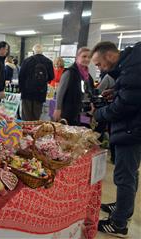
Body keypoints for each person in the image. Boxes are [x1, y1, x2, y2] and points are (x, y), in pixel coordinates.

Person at [90, 41, 141, 238]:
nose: (100, 69)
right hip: (132, 128)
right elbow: (130, 95)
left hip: (131, 130)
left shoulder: (132, 69)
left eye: (99, 64)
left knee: (124, 176)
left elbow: (124, 106)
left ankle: (119, 223)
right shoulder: (130, 65)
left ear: (110, 56)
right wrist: (116, 92)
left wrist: (99, 114)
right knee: (130, 173)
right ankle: (122, 208)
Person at [53, 47, 94, 126]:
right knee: (69, 135)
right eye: (84, 56)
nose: (87, 59)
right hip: (70, 113)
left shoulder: (88, 76)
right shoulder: (69, 73)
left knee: (83, 132)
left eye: (89, 57)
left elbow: (88, 92)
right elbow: (60, 92)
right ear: (77, 57)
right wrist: (57, 109)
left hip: (84, 113)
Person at [19, 44, 54, 121]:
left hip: (26, 93)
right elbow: (51, 77)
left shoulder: (26, 61)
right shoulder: (48, 62)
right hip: (40, 94)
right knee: (36, 117)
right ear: (42, 51)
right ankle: (35, 131)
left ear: (33, 51)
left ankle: (26, 132)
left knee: (26, 117)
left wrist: (21, 90)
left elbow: (21, 76)